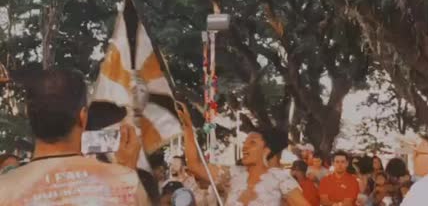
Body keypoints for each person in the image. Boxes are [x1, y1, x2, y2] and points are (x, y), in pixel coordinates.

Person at [0, 69, 149, 205]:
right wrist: (127, 171)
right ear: (83, 117)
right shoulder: (126, 183)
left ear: (29, 115)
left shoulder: (4, 190)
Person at [176, 102, 309, 206]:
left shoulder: (280, 178)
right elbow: (195, 166)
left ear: (266, 150)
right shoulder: (232, 174)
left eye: (252, 143)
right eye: (245, 143)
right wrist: (187, 129)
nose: (245, 147)